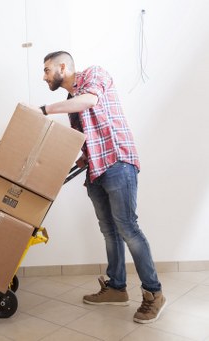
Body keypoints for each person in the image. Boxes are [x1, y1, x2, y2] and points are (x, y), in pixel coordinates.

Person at [40, 51, 166, 324]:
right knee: (109, 231)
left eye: (48, 70)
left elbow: (91, 100)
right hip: (96, 170)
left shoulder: (94, 75)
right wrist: (77, 159)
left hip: (118, 161)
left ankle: (153, 294)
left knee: (127, 228)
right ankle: (117, 288)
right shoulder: (70, 100)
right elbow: (88, 139)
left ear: (63, 67)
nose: (44, 76)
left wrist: (44, 110)